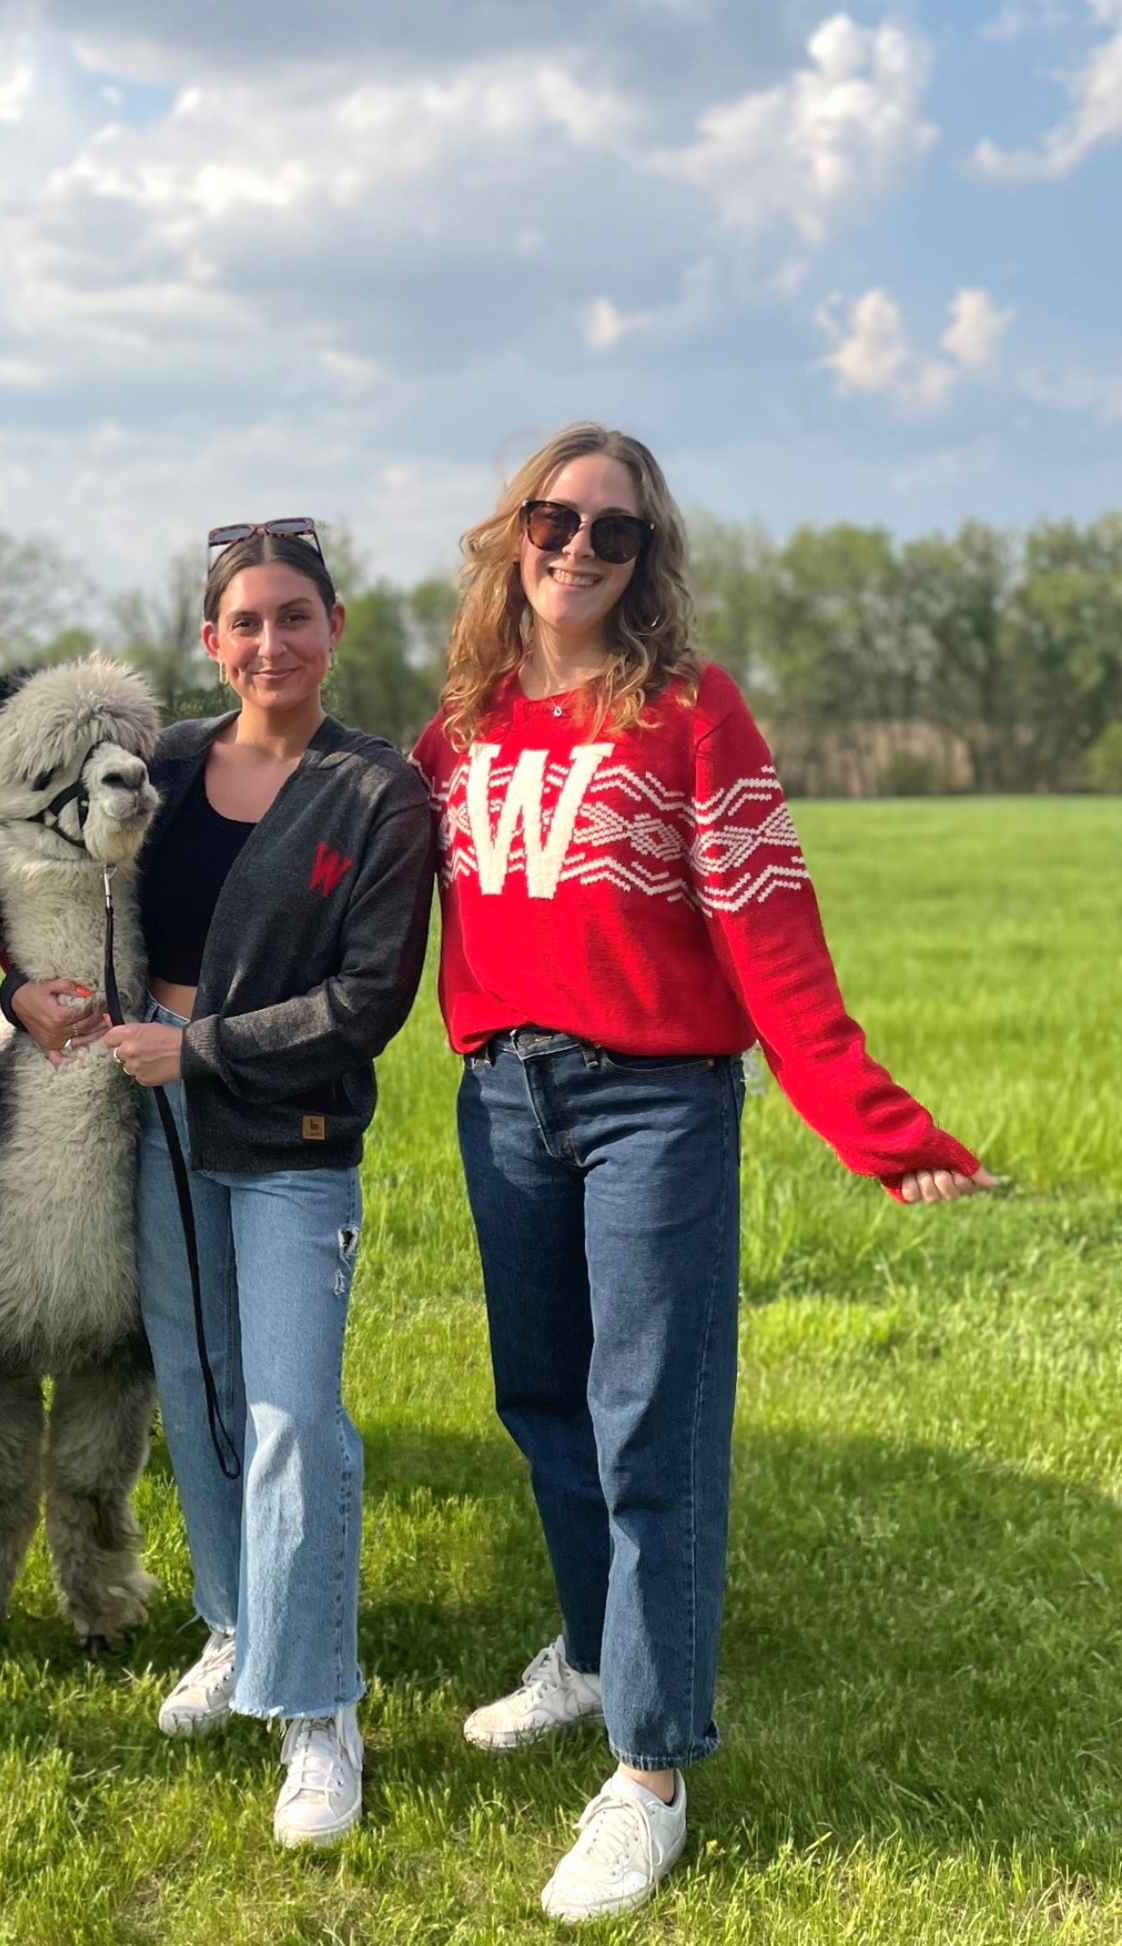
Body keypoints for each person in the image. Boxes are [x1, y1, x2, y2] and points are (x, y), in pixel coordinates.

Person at [410, 424, 995, 1921]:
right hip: (501, 1098)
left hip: (649, 1104)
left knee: (646, 1423)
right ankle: (595, 1651)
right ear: (510, 532)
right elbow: (328, 895)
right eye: (555, 518)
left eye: (614, 534)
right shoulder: (456, 727)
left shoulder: (687, 711)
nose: (578, 549)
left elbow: (769, 931)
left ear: (644, 561)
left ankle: (650, 1769)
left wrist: (877, 1127)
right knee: (539, 1396)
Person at [13, 519, 432, 1847]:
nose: (270, 641)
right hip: (156, 1128)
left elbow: (368, 1001)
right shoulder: (170, 763)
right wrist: (24, 985)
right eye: (244, 621)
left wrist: (194, 1046)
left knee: (293, 1406)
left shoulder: (376, 794)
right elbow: (22, 844)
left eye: (293, 615)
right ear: (210, 640)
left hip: (289, 1138)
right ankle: (238, 1620)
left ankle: (316, 1709)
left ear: (334, 627)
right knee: (192, 1386)